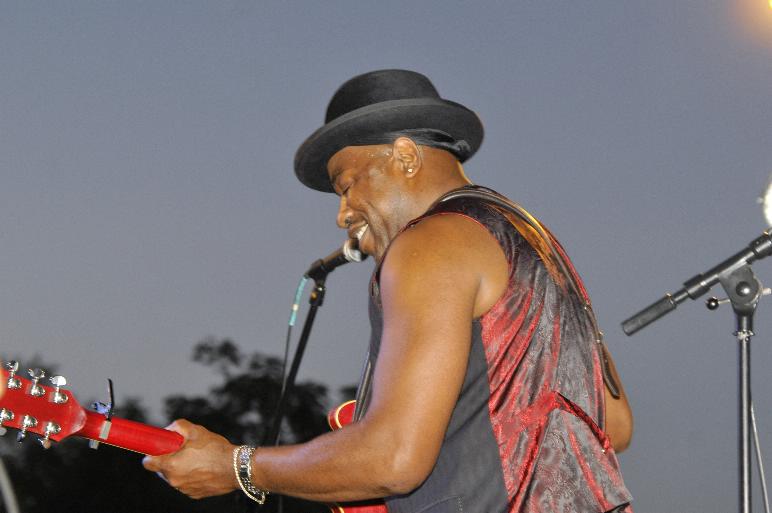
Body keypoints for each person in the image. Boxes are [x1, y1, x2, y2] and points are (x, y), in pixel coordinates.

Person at [143, 69, 633, 512]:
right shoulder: (539, 251)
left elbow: (394, 458)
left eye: (346, 185)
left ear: (405, 156)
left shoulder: (429, 243)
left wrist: (237, 465)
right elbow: (614, 423)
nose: (343, 214)